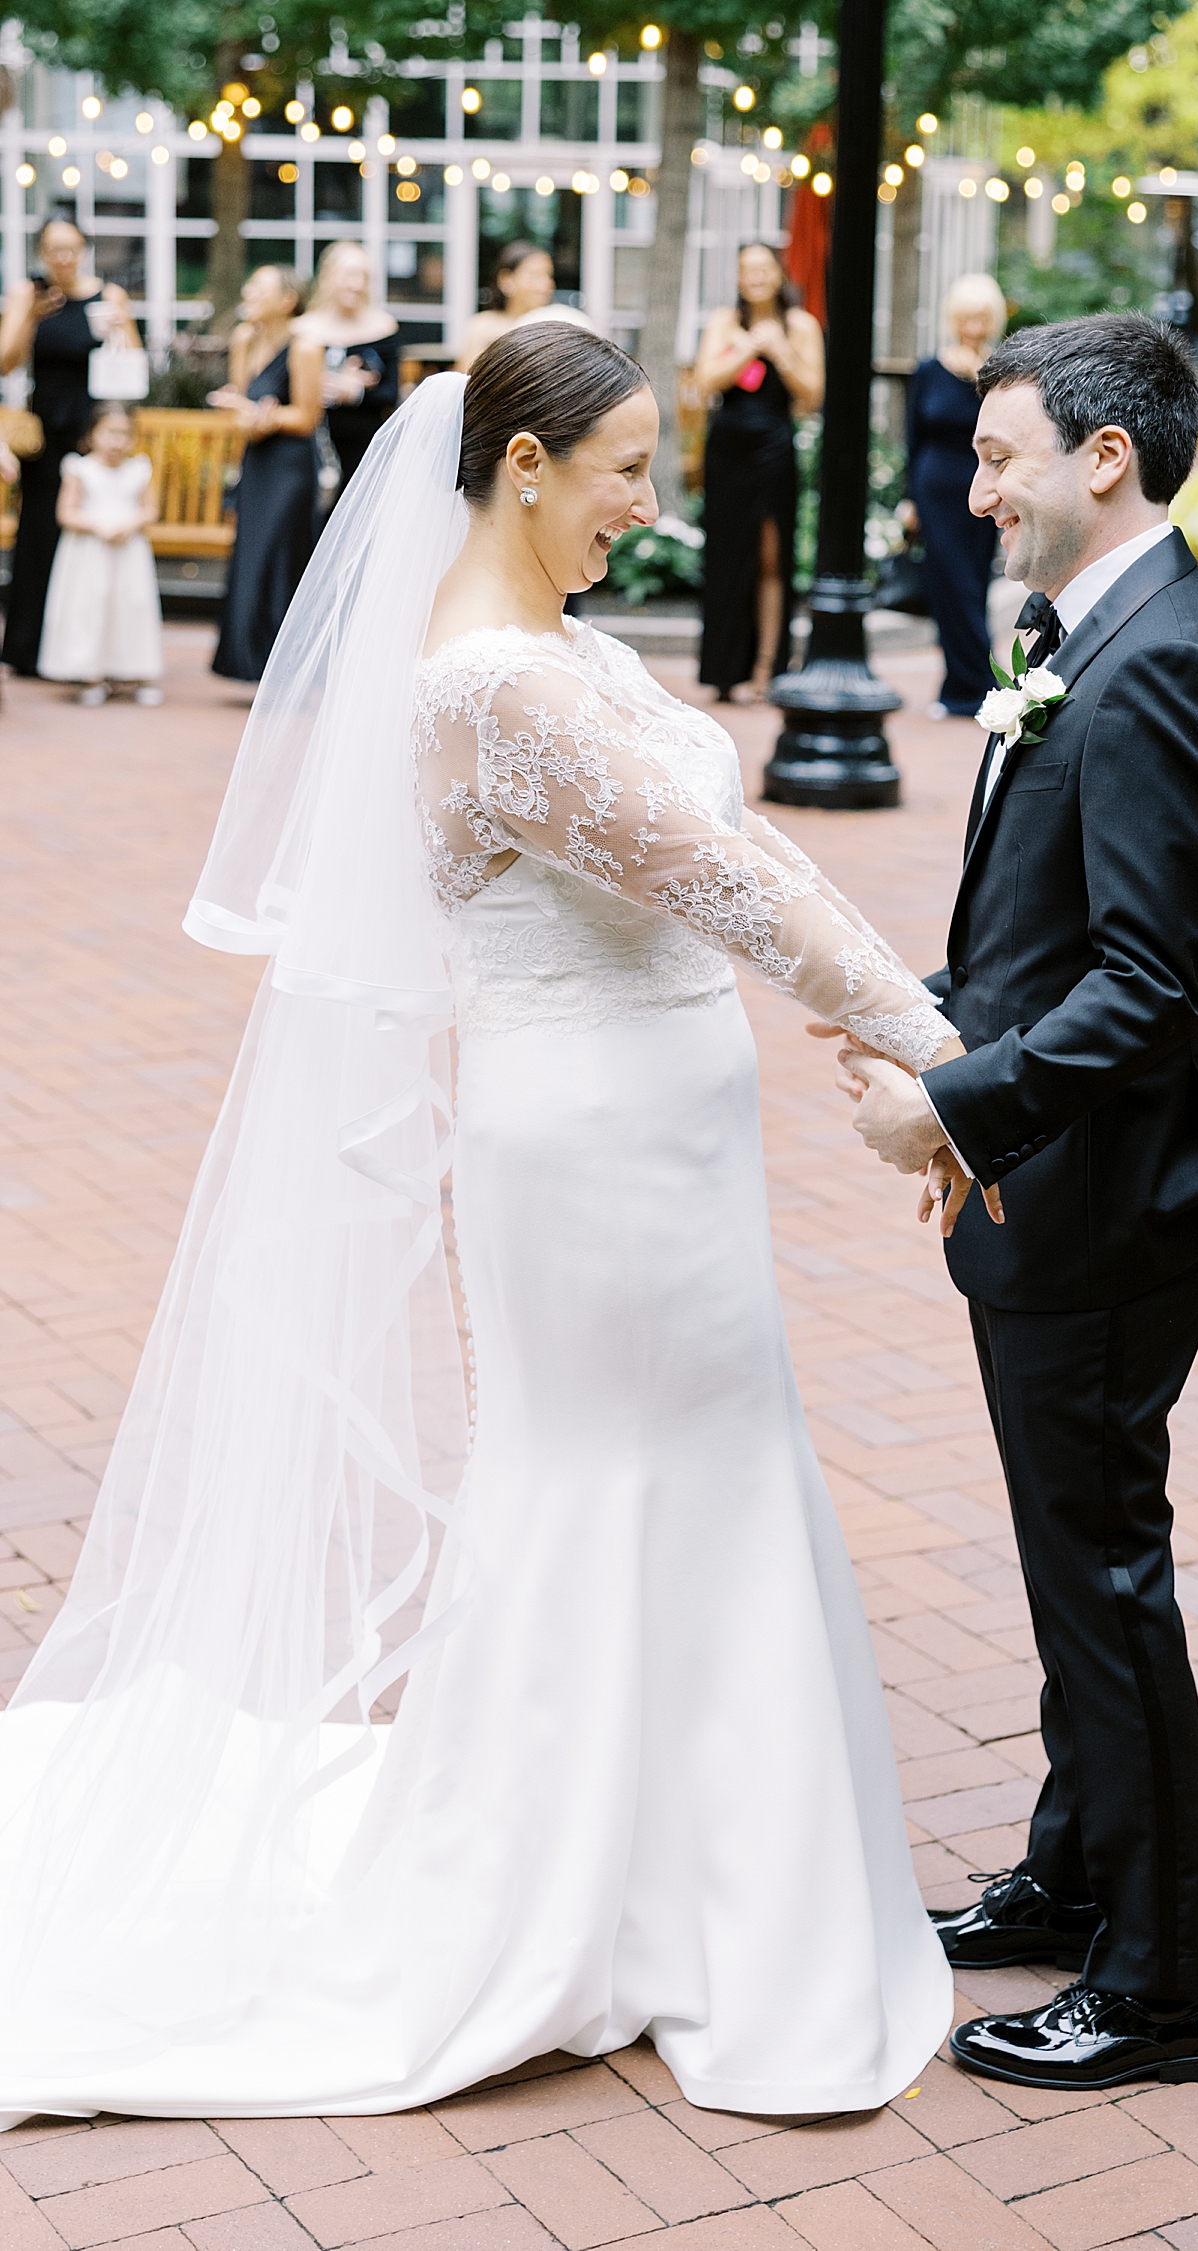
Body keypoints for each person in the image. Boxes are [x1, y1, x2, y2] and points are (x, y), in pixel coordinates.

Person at [0, 327, 954, 2129]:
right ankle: (580, 1878)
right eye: (625, 471)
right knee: (605, 1475)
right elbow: (726, 879)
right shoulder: (487, 690)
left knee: (710, 1467)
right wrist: (938, 1046)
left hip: (667, 1123)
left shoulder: (567, 648)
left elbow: (752, 863)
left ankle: (681, 1855)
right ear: (524, 465)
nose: (649, 508)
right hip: (588, 1141)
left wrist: (934, 1040)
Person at [829, 313, 1198, 2094]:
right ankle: (1076, 1870)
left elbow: (1150, 983)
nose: (972, 480)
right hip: (1049, 1175)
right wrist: (943, 1046)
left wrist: (947, 1101)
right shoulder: (1074, 633)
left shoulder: (1164, 656)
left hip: (1109, 1197)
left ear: (1107, 458)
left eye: (999, 451)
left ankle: (1164, 1986)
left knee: (1102, 1575)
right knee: (1064, 1558)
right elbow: (1040, 926)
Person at [0, 216, 139, 676]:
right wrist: (29, 318)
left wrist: (120, 328)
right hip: (47, 429)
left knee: (87, 540)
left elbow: (134, 367)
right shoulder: (28, 292)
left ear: (84, 249)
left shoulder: (110, 296)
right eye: (53, 248)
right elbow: (6, 363)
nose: (63, 257)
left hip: (94, 430)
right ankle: (29, 649)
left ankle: (87, 653)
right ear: (42, 252)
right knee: (40, 536)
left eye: (71, 247)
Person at [696, 242, 825, 702]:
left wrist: (781, 352)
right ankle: (724, 670)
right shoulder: (723, 323)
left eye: (763, 268)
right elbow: (705, 382)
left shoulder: (801, 325)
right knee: (728, 556)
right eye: (746, 269)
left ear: (778, 273)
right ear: (737, 276)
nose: (754, 277)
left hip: (774, 447)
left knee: (772, 557)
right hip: (728, 449)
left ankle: (767, 666)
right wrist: (748, 347)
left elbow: (811, 396)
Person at [209, 265, 324, 683]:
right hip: (256, 461)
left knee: (279, 556)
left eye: (260, 288)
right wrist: (244, 416)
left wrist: (268, 420)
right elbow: (242, 402)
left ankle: (285, 668)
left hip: (291, 467)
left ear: (286, 301)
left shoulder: (305, 348)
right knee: (249, 555)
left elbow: (307, 417)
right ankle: (247, 662)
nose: (249, 292)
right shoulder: (244, 338)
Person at [902, 274, 1007, 718]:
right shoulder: (929, 369)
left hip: (983, 485)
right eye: (966, 318)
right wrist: (909, 498)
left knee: (974, 585)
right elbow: (913, 436)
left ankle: (963, 686)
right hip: (936, 488)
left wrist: (982, 380)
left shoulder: (1000, 371)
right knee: (949, 586)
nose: (974, 327)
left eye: (982, 319)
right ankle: (978, 685)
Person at [38, 401, 163, 704]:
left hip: (128, 553)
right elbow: (66, 513)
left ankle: (134, 672)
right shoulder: (80, 469)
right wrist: (97, 526)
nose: (116, 442)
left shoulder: (138, 469)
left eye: (124, 434)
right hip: (90, 554)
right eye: (109, 433)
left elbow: (150, 510)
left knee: (130, 607)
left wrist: (130, 524)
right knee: (90, 609)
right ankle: (91, 673)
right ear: (92, 434)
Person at [296, 241, 400, 504]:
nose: (357, 284)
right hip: (311, 451)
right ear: (328, 277)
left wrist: (355, 392)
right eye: (349, 275)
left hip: (365, 451)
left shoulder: (384, 327)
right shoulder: (301, 330)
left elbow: (391, 393)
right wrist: (323, 386)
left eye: (364, 276)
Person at [455, 240, 556, 371]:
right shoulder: (482, 326)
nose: (545, 284)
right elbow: (467, 378)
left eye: (549, 276)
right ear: (506, 280)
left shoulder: (554, 328)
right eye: (534, 275)